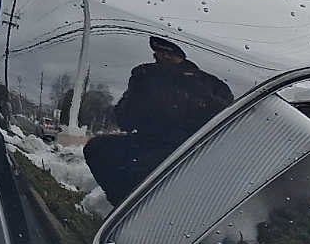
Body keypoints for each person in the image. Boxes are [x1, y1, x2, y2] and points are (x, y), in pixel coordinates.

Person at [84, 37, 233, 206]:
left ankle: (142, 210)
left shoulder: (210, 84)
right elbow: (124, 120)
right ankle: (123, 207)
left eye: (168, 55)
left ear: (180, 56)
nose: (162, 58)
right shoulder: (146, 76)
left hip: (190, 150)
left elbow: (225, 119)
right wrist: (136, 92)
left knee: (140, 171)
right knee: (97, 149)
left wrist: (196, 94)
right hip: (148, 142)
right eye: (158, 54)